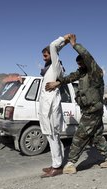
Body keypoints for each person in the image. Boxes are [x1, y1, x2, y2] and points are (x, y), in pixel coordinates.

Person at [45, 34, 107, 174]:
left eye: (80, 63)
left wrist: (74, 45)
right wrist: (57, 83)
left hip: (92, 110)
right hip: (91, 110)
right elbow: (71, 77)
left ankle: (71, 164)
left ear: (85, 62)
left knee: (80, 136)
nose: (79, 66)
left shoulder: (94, 72)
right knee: (97, 137)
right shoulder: (83, 73)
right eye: (78, 64)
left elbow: (87, 56)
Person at [39, 34, 70, 178]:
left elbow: (53, 46)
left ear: (53, 55)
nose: (44, 56)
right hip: (46, 106)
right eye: (43, 55)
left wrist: (65, 40)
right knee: (51, 137)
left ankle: (57, 166)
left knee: (53, 136)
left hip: (51, 106)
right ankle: (55, 163)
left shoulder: (56, 65)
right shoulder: (48, 68)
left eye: (47, 54)